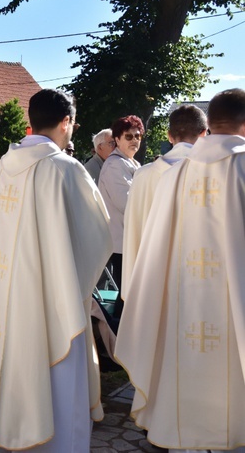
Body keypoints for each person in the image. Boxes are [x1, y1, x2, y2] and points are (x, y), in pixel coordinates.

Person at [0, 89, 112, 452]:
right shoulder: (66, 169)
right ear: (66, 123)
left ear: (31, 120)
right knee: (56, 392)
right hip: (48, 303)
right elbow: (97, 238)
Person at [114, 88, 245, 452]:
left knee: (183, 402)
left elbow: (154, 251)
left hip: (182, 307)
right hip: (234, 311)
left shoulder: (173, 175)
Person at [121, 105, 207, 302]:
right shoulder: (216, 173)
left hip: (151, 285)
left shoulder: (143, 176)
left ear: (169, 135)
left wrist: (131, 290)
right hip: (200, 287)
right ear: (204, 134)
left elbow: (133, 232)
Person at [98, 115, 144, 317]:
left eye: (137, 135)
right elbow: (127, 204)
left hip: (129, 240)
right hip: (121, 243)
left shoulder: (131, 163)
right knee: (125, 298)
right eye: (129, 136)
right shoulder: (116, 165)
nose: (134, 140)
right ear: (117, 139)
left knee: (129, 296)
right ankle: (117, 341)